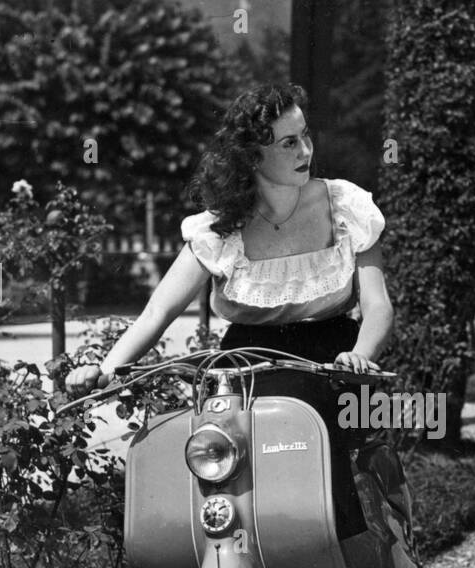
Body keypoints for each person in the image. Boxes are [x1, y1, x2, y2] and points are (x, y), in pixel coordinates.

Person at [67, 83, 394, 537]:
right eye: (288, 143)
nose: (305, 150)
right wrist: (103, 369)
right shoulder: (221, 227)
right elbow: (156, 314)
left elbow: (377, 305)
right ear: (252, 157)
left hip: (334, 363)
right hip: (243, 366)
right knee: (219, 466)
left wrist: (361, 353)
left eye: (305, 136)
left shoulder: (346, 206)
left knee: (327, 472)